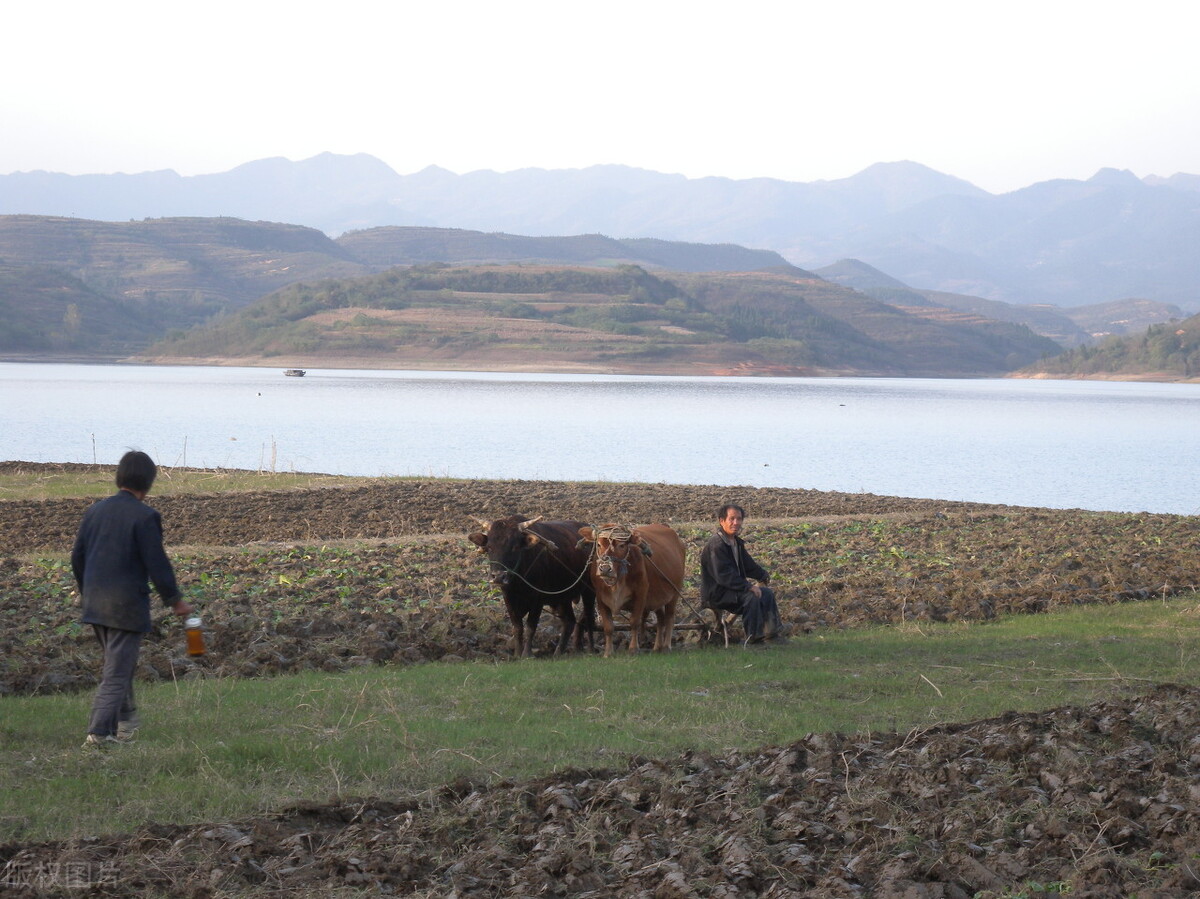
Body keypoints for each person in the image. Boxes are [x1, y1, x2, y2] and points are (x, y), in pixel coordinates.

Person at [72, 450, 192, 747]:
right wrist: (175, 600)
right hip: (125, 606)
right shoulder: (146, 516)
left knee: (117, 666)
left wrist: (87, 591)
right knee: (117, 672)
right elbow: (157, 563)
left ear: (119, 477)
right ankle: (99, 734)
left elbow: (77, 557)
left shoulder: (95, 510)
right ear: (149, 483)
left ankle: (125, 723)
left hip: (95, 602)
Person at [700, 503, 787, 644]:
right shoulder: (716, 545)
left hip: (733, 590)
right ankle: (753, 639)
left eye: (739, 519)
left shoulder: (736, 543)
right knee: (751, 597)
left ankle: (772, 636)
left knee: (767, 594)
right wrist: (748, 587)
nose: (736, 523)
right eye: (732, 519)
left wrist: (762, 575)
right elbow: (724, 575)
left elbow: (749, 565)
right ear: (722, 521)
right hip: (717, 593)